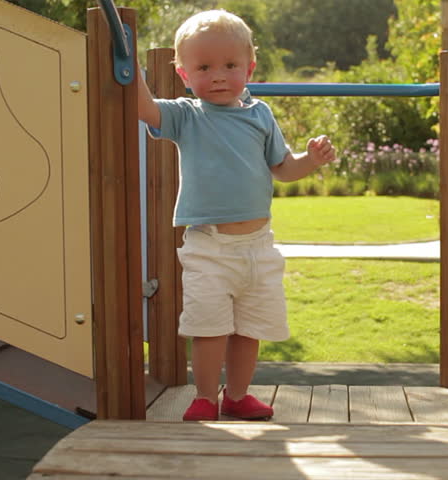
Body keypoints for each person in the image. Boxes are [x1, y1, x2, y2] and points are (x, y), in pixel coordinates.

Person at [137, 9, 336, 421]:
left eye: (230, 65)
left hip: (258, 246)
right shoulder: (187, 115)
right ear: (183, 74)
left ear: (250, 67)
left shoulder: (259, 115)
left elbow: (282, 169)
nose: (219, 76)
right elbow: (144, 109)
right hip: (209, 246)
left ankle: (238, 395)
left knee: (249, 328)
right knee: (209, 327)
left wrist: (310, 160)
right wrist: (128, 63)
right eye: (204, 67)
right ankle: (206, 397)